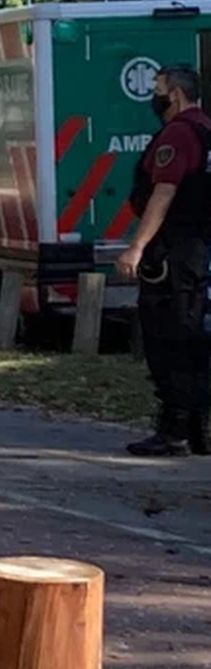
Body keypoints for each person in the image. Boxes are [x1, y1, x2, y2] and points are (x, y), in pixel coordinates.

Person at [116, 65, 211, 457]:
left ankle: (173, 428)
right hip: (199, 247)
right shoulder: (206, 128)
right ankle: (197, 427)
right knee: (193, 337)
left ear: (174, 95)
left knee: (166, 337)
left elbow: (163, 193)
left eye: (157, 88)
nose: (153, 96)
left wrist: (137, 247)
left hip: (173, 248)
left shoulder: (178, 134)